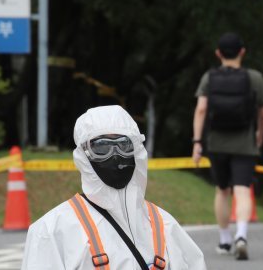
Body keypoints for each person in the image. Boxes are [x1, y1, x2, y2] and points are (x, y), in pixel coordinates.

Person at [22, 105, 207, 270]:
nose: (115, 155)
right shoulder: (52, 230)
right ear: (83, 155)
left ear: (136, 149)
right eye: (101, 147)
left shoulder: (165, 226)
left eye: (123, 145)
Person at [192, 32, 263, 261]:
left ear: (218, 53)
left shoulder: (209, 78)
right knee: (242, 190)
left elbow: (200, 110)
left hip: (216, 143)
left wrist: (197, 142)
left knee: (222, 190)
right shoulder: (254, 78)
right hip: (245, 143)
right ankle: (242, 236)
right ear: (242, 52)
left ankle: (225, 240)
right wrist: (259, 135)